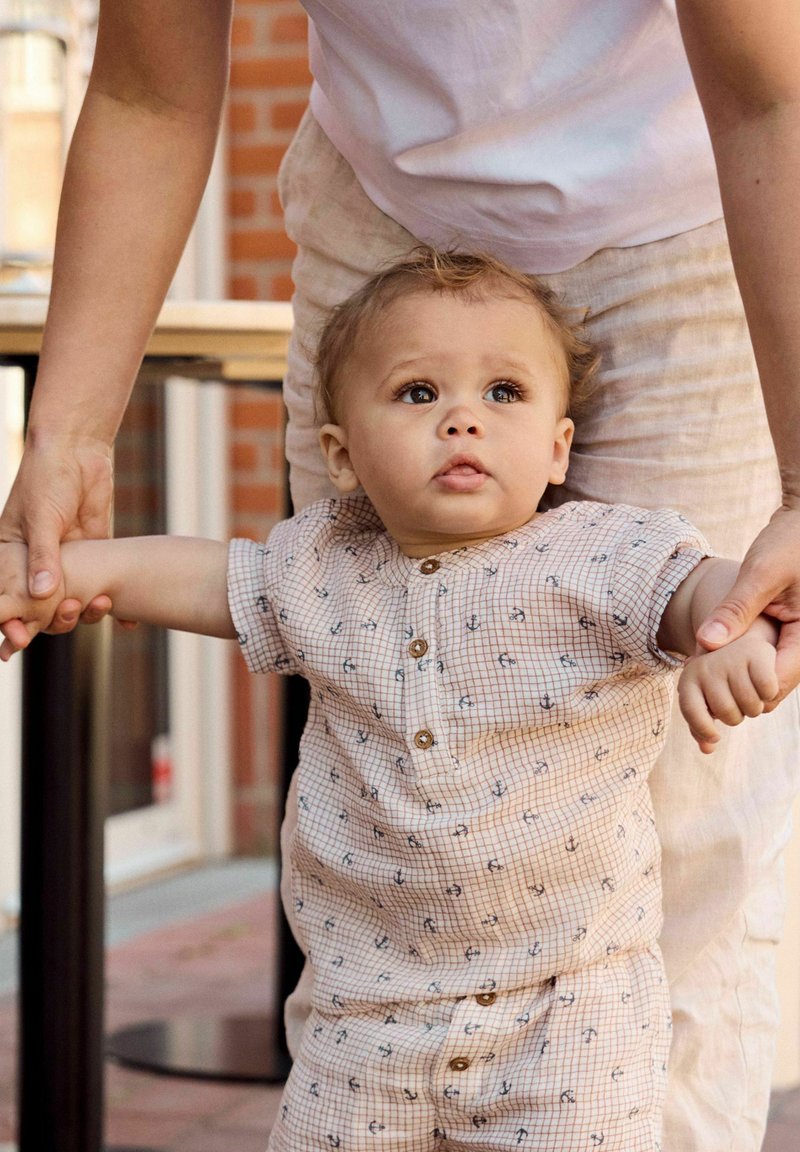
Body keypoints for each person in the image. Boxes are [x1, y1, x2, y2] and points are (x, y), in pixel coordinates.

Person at [1, 3, 800, 1148]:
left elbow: (692, 593)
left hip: (678, 204)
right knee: (367, 703)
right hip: (381, 202)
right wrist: (66, 480)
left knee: (692, 831)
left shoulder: (612, 556)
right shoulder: (320, 567)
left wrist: (736, 625)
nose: (462, 423)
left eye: (499, 404)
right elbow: (146, 90)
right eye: (425, 401)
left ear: (556, 442)